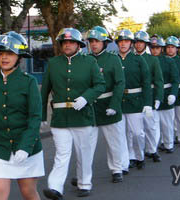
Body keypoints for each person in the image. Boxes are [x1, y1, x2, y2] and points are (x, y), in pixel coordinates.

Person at [0, 31, 44, 200]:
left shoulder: (29, 82)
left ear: (19, 57)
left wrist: (26, 146)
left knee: (28, 193)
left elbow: (35, 118)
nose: (4, 58)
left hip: (26, 148)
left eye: (9, 54)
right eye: (1, 54)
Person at [41, 27, 105, 199]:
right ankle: (55, 188)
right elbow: (44, 91)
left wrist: (86, 98)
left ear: (78, 45)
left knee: (84, 153)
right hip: (60, 118)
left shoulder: (89, 62)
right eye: (65, 42)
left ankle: (84, 183)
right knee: (61, 154)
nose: (67, 45)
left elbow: (100, 85)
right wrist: (41, 116)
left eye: (71, 42)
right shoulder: (54, 63)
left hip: (83, 116)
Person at [86, 26, 126, 182]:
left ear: (105, 43)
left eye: (97, 41)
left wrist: (114, 105)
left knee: (114, 142)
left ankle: (117, 169)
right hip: (90, 106)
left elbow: (120, 83)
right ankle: (84, 173)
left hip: (108, 104)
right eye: (91, 41)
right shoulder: (86, 59)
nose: (94, 44)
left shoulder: (113, 58)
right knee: (86, 145)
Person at [114, 29, 152, 170]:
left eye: (126, 41)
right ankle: (127, 159)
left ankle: (139, 155)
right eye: (120, 41)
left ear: (131, 44)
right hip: (119, 101)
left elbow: (146, 83)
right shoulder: (114, 59)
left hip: (135, 101)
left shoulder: (138, 60)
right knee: (122, 134)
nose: (123, 44)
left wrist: (147, 103)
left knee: (137, 133)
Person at [134, 31, 164, 162]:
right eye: (137, 42)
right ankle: (135, 154)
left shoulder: (152, 59)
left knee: (150, 126)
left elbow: (158, 80)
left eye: (141, 42)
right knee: (134, 130)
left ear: (145, 44)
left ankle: (152, 149)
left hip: (149, 96)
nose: (138, 45)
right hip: (134, 97)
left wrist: (158, 98)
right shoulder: (129, 58)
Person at [150, 37, 180, 154]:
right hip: (152, 94)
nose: (155, 50)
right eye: (152, 48)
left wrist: (173, 94)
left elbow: (175, 80)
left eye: (157, 48)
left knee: (167, 123)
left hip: (166, 93)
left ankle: (168, 144)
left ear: (161, 48)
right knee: (152, 125)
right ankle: (153, 147)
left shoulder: (168, 61)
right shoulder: (147, 60)